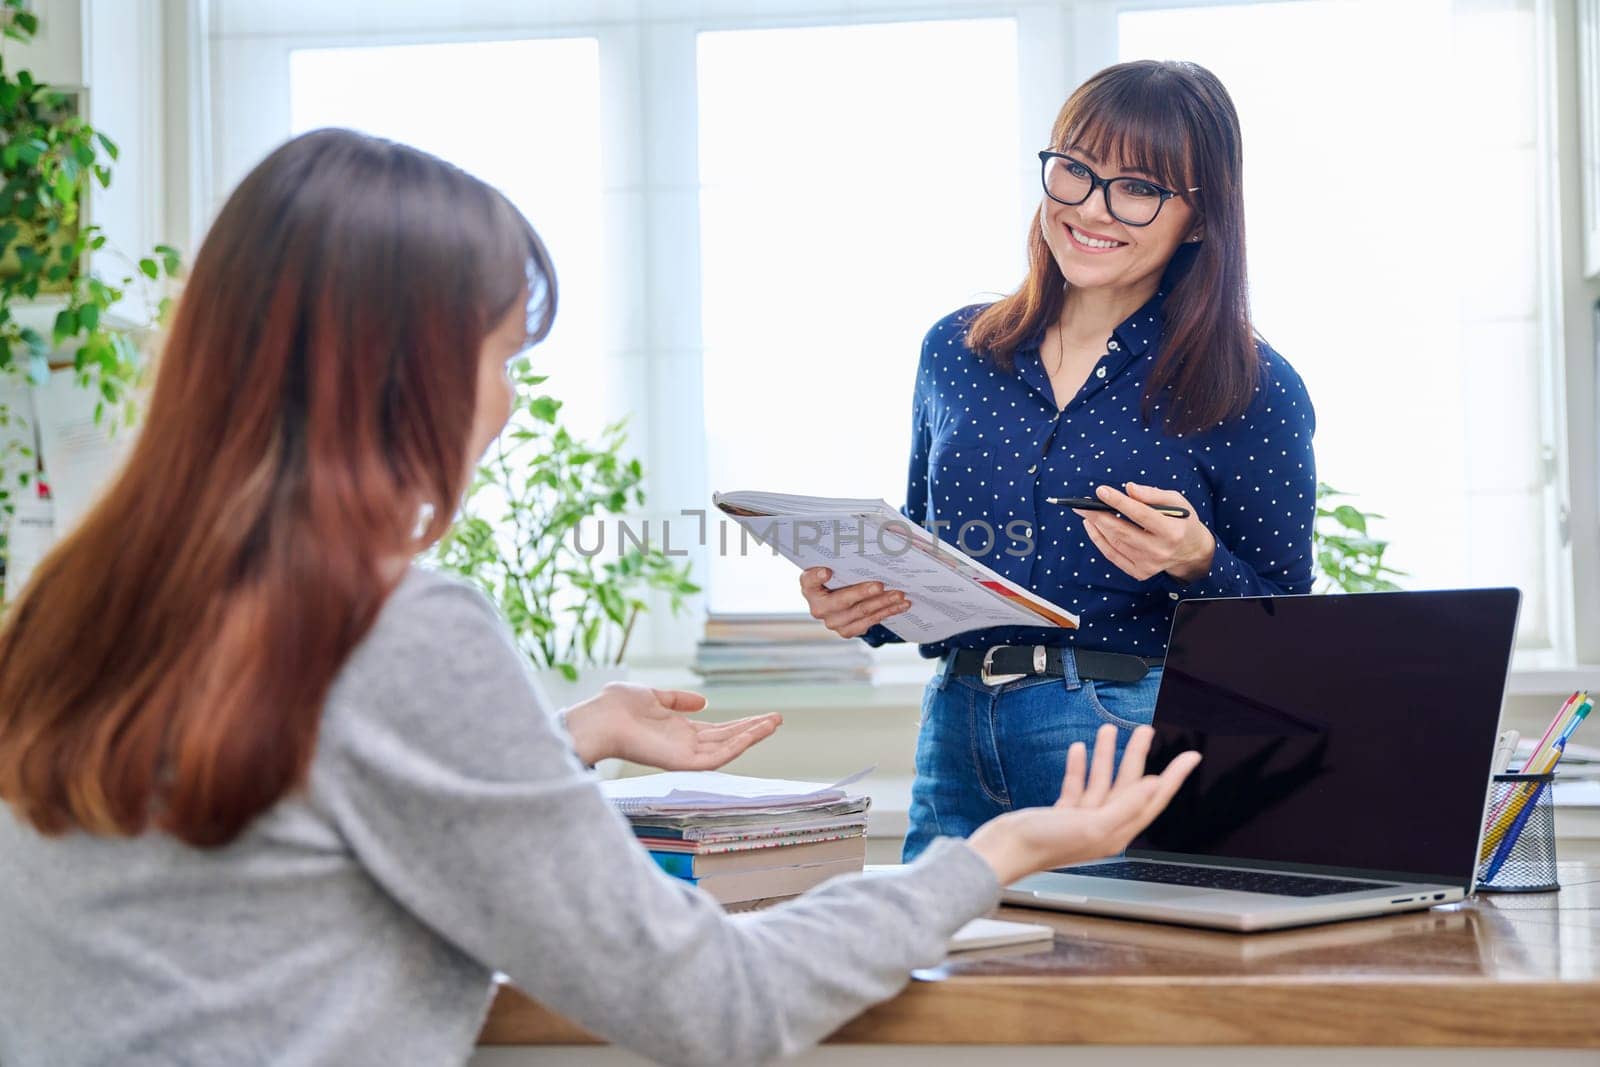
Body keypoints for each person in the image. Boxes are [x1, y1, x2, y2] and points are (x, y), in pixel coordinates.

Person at [0, 128, 1199, 1067]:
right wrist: (991, 856)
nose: (506, 405)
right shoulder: (392, 626)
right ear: (403, 375)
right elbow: (711, 1001)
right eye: (501, 360)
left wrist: (575, 733)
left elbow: (273, 792)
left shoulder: (74, 605)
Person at [800, 59, 1314, 862]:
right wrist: (867, 606)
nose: (1090, 209)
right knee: (935, 971)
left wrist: (1198, 558)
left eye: (1137, 187)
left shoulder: (1247, 383)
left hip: (1117, 736)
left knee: (1109, 981)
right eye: (1075, 171)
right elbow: (936, 555)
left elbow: (1289, 629)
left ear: (1201, 217)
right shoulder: (958, 349)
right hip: (956, 728)